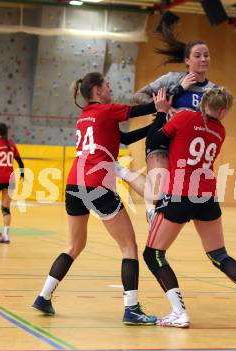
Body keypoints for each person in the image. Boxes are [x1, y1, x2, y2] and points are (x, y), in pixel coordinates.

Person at [32, 72, 169, 326]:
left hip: (74, 184)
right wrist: (163, 108)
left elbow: (125, 139)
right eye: (107, 86)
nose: (111, 89)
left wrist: (159, 122)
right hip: (97, 184)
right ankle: (132, 309)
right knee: (129, 247)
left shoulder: (85, 118)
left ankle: (44, 295)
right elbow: (142, 108)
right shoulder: (106, 111)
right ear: (96, 90)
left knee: (74, 245)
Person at [143, 88, 236, 328]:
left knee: (153, 254)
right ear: (222, 111)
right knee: (219, 254)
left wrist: (162, 113)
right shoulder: (220, 130)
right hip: (207, 196)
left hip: (180, 194)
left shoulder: (185, 117)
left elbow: (155, 140)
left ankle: (179, 312)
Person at [117, 25, 217, 218]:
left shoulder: (213, 91)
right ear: (187, 60)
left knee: (177, 198)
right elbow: (139, 96)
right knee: (158, 193)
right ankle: (123, 173)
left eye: (206, 55)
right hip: (162, 140)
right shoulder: (172, 79)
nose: (203, 59)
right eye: (198, 55)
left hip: (189, 149)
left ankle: (155, 215)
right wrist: (163, 107)